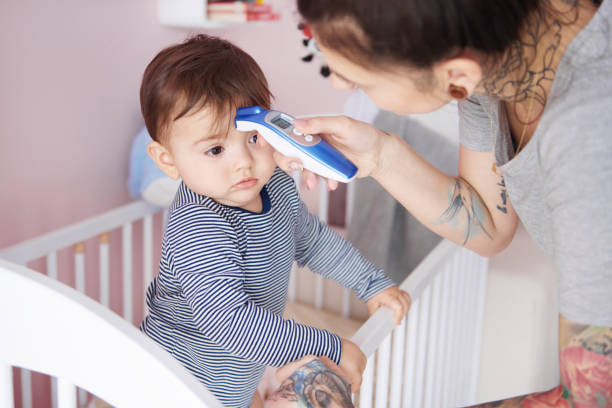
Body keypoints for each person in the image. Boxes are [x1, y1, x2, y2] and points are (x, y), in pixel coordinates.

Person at [267, 0, 612, 406]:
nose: (340, 85)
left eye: (361, 81)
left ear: (456, 76)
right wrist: (380, 156)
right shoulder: (497, 55)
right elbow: (488, 223)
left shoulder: (589, 135)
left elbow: (593, 399)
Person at [138, 34, 411, 408]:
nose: (243, 162)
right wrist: (327, 346)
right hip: (170, 387)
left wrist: (371, 284)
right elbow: (229, 321)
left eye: (253, 138)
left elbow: (314, 242)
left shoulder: (277, 186)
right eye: (216, 149)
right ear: (168, 161)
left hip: (231, 382)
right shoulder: (199, 225)